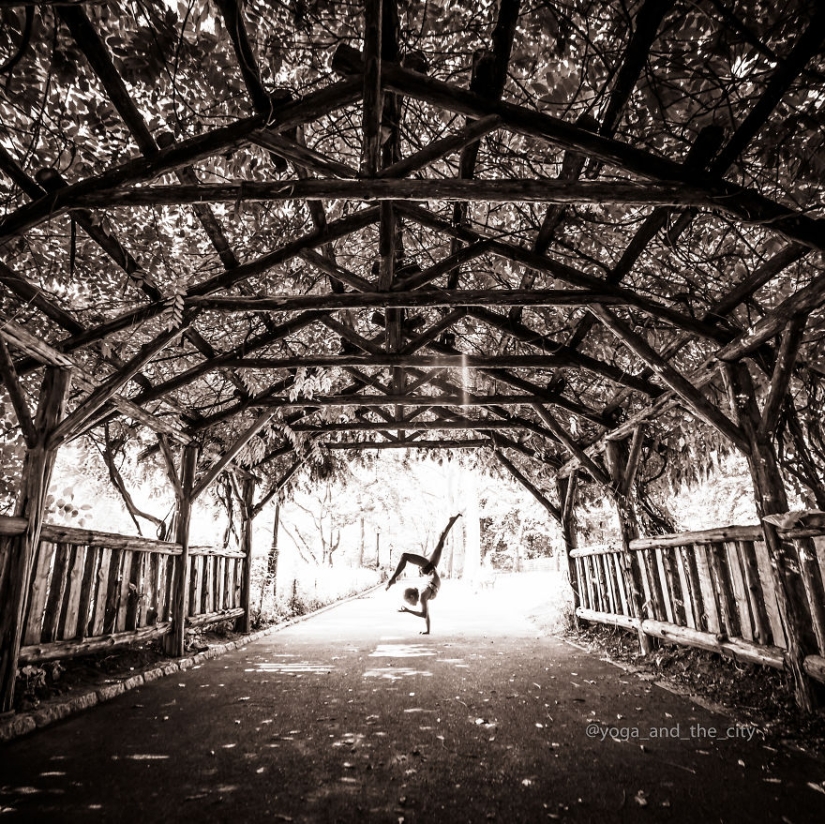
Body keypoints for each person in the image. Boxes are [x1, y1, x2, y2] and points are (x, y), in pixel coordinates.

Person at [385, 513, 461, 634]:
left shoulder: (423, 595)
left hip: (428, 568)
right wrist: (427, 630)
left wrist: (408, 612)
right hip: (430, 569)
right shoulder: (423, 596)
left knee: (405, 556)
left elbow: (424, 614)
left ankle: (393, 579)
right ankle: (451, 521)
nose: (409, 603)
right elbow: (425, 614)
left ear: (412, 597)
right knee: (441, 542)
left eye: (408, 601)